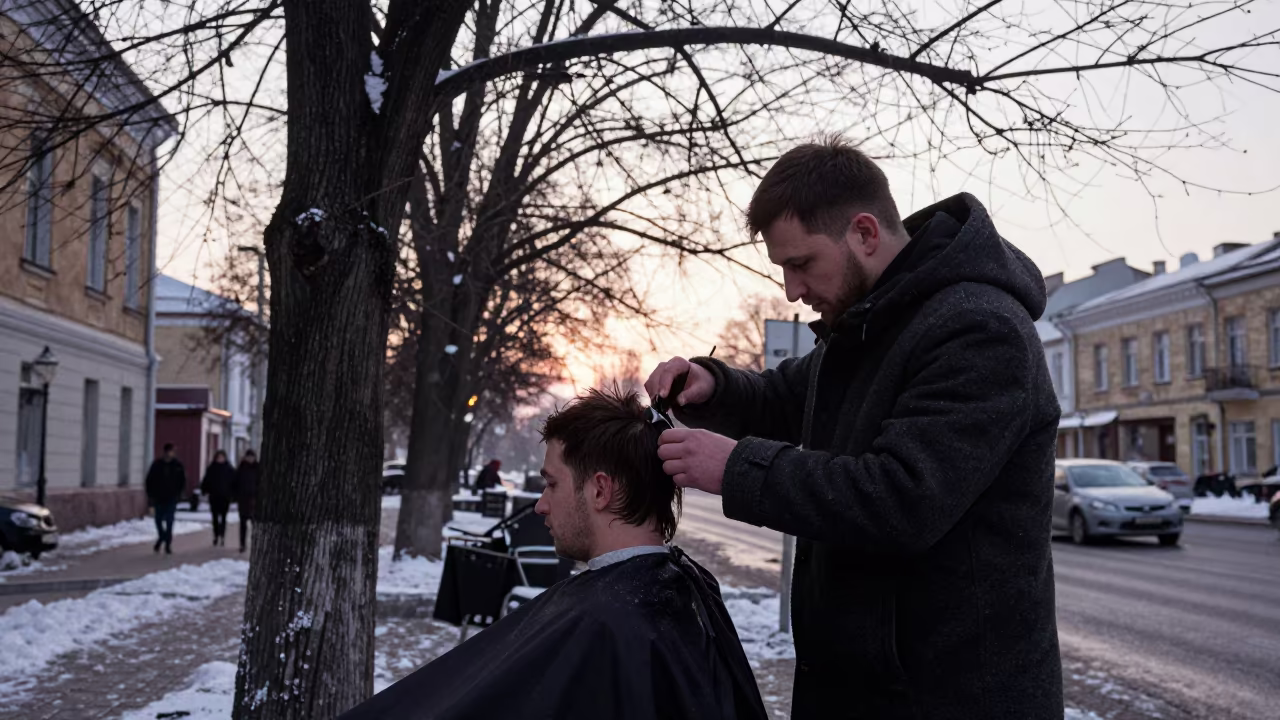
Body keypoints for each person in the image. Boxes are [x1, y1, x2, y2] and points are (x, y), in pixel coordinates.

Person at [647, 137, 1063, 719]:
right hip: (863, 688)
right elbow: (787, 396)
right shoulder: (873, 319)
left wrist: (735, 468)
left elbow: (902, 498)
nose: (792, 289)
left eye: (800, 263)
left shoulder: (979, 329)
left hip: (947, 697)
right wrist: (713, 386)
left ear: (864, 233)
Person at [339, 387, 767, 720]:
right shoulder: (687, 591)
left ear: (600, 490)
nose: (541, 504)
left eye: (552, 484)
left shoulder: (608, 624)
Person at [145, 444, 186, 555]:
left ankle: (168, 544)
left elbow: (182, 480)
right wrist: (150, 495)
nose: (172, 453)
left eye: (173, 451)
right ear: (165, 452)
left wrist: (179, 493)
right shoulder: (157, 465)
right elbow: (149, 480)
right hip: (158, 497)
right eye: (170, 451)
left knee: (169, 520)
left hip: (172, 497)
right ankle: (162, 537)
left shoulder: (177, 465)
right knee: (158, 520)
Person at [200, 450, 235, 547]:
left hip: (225, 497)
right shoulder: (211, 468)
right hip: (214, 496)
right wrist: (204, 490)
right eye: (218, 457)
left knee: (223, 517)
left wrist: (233, 494)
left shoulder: (229, 469)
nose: (220, 459)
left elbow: (234, 482)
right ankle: (216, 535)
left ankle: (222, 536)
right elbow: (206, 480)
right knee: (215, 517)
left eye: (222, 457)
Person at [233, 449, 259, 553]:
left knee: (255, 524)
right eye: (248, 457)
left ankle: (256, 544)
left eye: (252, 457)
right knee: (243, 524)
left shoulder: (258, 468)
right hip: (243, 500)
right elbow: (235, 483)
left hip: (255, 499)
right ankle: (242, 544)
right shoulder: (241, 468)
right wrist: (235, 495)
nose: (250, 459)